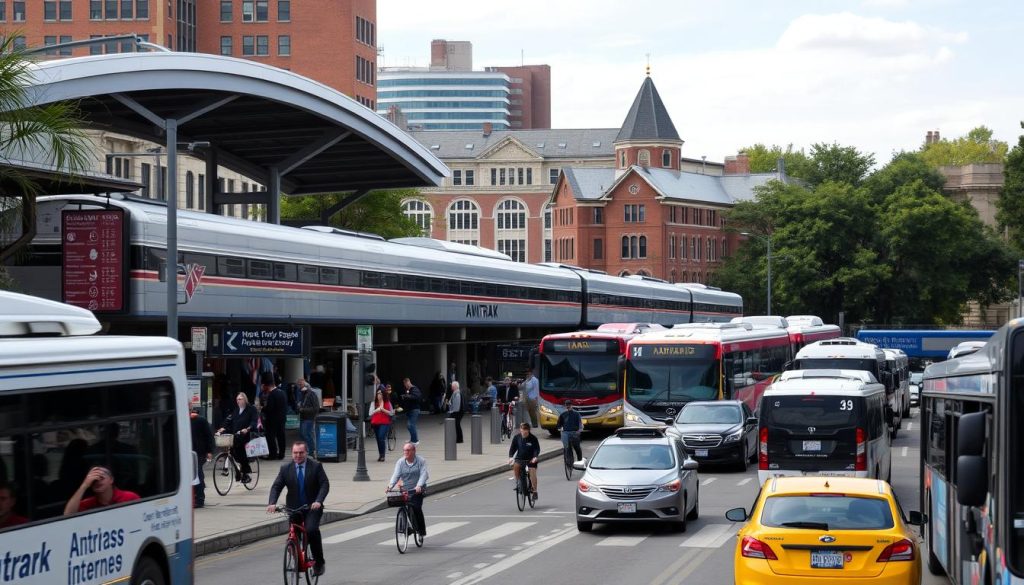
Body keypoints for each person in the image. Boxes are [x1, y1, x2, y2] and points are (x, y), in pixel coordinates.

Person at [267, 442, 329, 577]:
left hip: (312, 508)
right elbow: (276, 486)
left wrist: (318, 501)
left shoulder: (316, 466)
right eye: (295, 453)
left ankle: (319, 562)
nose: (298, 455)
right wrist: (272, 502)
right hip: (294, 508)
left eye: (301, 453)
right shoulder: (285, 468)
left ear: (306, 453)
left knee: (311, 530)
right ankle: (296, 559)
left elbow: (324, 484)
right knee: (293, 535)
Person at [386, 443, 429, 537]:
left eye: (408, 450)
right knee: (405, 506)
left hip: (417, 490)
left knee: (416, 508)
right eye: (404, 450)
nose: (406, 452)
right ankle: (406, 527)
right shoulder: (400, 462)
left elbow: (424, 474)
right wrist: (390, 486)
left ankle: (421, 531)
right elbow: (396, 475)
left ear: (414, 451)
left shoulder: (421, 461)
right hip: (405, 489)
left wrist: (419, 486)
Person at [216, 392, 259, 482]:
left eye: (240, 399)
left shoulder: (251, 409)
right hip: (236, 435)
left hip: (246, 435)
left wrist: (248, 428)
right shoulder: (236, 410)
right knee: (232, 452)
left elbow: (254, 421)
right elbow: (230, 422)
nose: (238, 401)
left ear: (245, 400)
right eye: (237, 399)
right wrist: (223, 429)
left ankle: (246, 474)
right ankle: (237, 471)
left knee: (241, 453)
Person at [63, 466, 140, 515]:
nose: (97, 482)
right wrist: (84, 485)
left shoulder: (130, 497)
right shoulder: (88, 503)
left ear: (111, 480)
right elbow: (68, 514)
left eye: (101, 478)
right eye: (94, 480)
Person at [508, 423, 541, 500]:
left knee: (532, 471)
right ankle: (518, 482)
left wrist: (535, 457)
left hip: (531, 459)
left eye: (525, 432)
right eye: (522, 431)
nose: (523, 433)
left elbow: (536, 449)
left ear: (528, 430)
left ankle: (535, 491)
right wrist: (510, 457)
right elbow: (512, 448)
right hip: (520, 458)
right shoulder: (517, 438)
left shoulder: (533, 438)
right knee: (516, 466)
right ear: (520, 430)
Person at [190, 406, 215, 508]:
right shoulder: (183, 420)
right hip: (190, 452)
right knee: (196, 474)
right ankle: (196, 496)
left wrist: (209, 451)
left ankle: (200, 499)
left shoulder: (200, 420)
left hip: (199, 452)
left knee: (198, 473)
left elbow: (209, 435)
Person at [259, 372, 288, 460]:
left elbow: (269, 408)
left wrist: (262, 408)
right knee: (281, 436)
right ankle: (282, 454)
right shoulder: (282, 392)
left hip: (272, 419)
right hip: (282, 418)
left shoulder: (272, 394)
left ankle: (273, 454)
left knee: (270, 437)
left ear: (267, 386)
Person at [369, 389, 395, 462]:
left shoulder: (387, 402)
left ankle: (383, 455)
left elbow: (391, 413)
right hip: (376, 422)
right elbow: (370, 413)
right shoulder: (373, 403)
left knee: (381, 437)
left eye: (380, 393)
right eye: (378, 393)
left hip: (385, 422)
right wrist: (376, 410)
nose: (379, 395)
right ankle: (380, 454)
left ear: (383, 394)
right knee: (378, 439)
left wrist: (383, 410)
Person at [297, 377, 320, 456]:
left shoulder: (311, 394)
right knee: (303, 434)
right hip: (304, 417)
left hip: (309, 418)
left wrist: (303, 409)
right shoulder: (302, 394)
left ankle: (311, 451)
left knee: (307, 434)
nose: (300, 386)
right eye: (299, 385)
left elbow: (316, 408)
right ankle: (307, 450)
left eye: (301, 385)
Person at [400, 377, 422, 444]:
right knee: (410, 425)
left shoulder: (414, 389)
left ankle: (415, 440)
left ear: (408, 382)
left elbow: (416, 397)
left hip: (415, 409)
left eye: (406, 384)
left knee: (411, 425)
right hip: (410, 410)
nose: (406, 386)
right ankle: (413, 439)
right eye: (405, 385)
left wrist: (406, 396)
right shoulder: (408, 390)